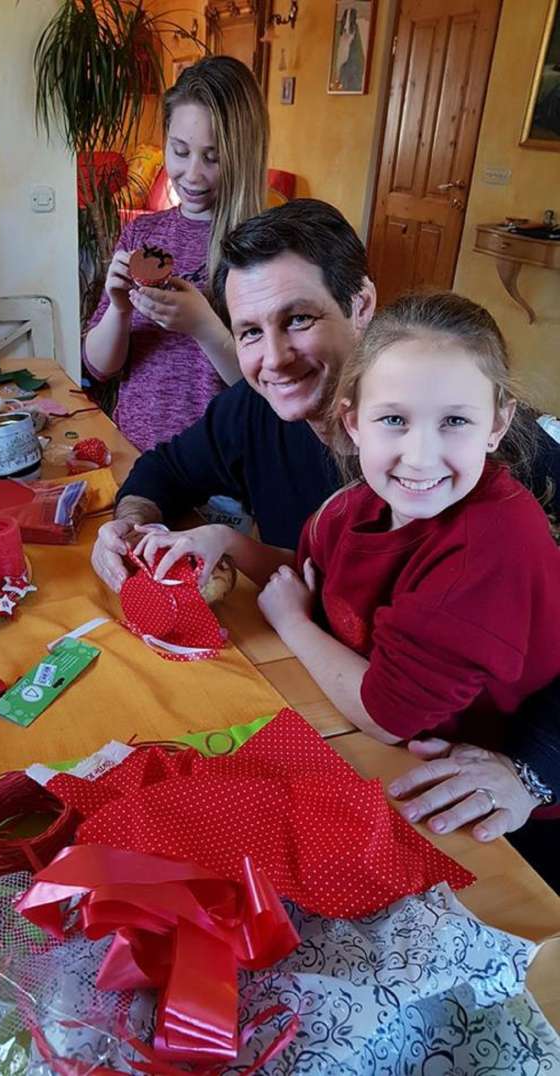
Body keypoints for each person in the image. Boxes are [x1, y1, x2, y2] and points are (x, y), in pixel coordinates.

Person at [91, 200, 560, 857]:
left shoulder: (506, 464)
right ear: (353, 427)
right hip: (361, 735)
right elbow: (164, 473)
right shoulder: (280, 433)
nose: (273, 358)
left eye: (300, 319)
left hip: (487, 793)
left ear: (361, 303)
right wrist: (131, 524)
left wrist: (536, 770)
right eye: (249, 330)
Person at [83, 55, 269, 452]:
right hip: (136, 454)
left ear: (245, 153)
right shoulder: (143, 233)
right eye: (180, 151)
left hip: (222, 471)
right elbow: (100, 367)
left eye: (213, 157)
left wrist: (204, 325)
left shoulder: (267, 246)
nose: (193, 174)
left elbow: (271, 390)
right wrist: (119, 308)